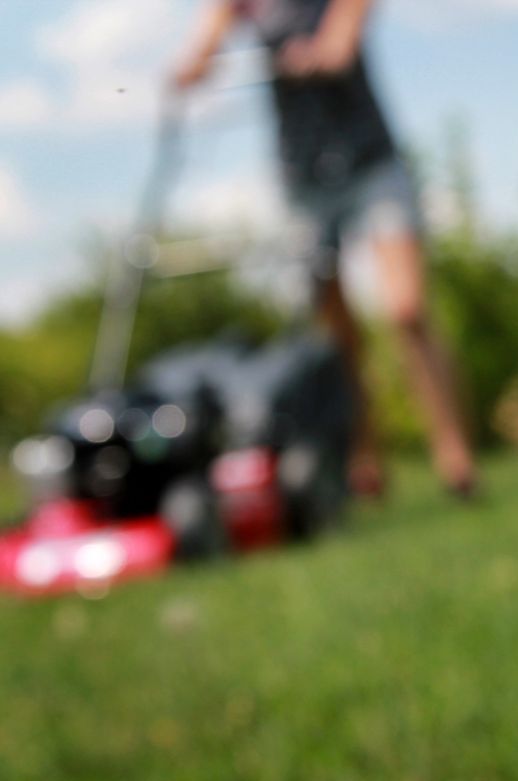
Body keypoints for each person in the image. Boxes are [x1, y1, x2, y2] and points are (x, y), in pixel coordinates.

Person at [173, 0, 477, 497]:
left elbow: (343, 38)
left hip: (370, 160)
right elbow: (208, 36)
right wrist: (193, 66)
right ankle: (362, 454)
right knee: (336, 333)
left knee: (407, 309)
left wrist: (324, 50)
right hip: (304, 177)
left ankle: (454, 454)